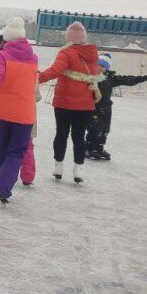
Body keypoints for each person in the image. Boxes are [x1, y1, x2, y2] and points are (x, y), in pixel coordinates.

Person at [0, 17, 39, 203]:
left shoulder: (1, 55)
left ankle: (0, 185)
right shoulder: (34, 58)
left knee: (2, 148)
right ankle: (2, 188)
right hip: (25, 113)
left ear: (6, 38)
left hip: (3, 111)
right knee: (17, 151)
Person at [38, 21, 101, 185]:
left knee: (61, 134)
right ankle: (78, 169)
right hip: (85, 104)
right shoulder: (93, 54)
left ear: (69, 38)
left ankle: (58, 167)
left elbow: (55, 71)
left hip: (64, 103)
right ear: (84, 38)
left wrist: (35, 78)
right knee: (79, 137)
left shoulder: (66, 53)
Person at [86, 52, 147, 161]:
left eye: (102, 66)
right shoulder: (92, 77)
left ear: (107, 68)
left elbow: (127, 80)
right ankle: (89, 148)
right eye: (97, 65)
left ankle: (99, 147)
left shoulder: (111, 78)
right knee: (94, 129)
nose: (99, 67)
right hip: (94, 107)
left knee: (105, 130)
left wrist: (143, 78)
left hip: (106, 108)